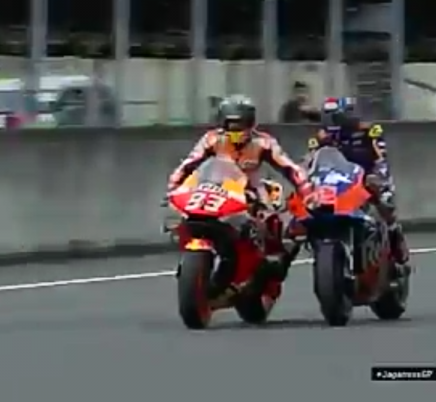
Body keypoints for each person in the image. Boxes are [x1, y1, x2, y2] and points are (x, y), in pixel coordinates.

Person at [166, 94, 314, 307]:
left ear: (251, 123)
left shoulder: (263, 142)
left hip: (251, 192)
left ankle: (273, 262)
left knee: (275, 223)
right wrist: (173, 188)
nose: (236, 129)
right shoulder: (212, 139)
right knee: (186, 216)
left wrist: (306, 190)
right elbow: (189, 164)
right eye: (231, 124)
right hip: (217, 190)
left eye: (241, 124)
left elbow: (290, 168)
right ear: (222, 123)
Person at [305, 96, 411, 275]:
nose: (331, 124)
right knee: (308, 204)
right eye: (328, 119)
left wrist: (378, 176)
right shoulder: (321, 137)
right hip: (338, 180)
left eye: (335, 118)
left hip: (366, 176)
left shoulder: (369, 131)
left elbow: (381, 158)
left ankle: (396, 241)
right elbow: (310, 162)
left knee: (384, 200)